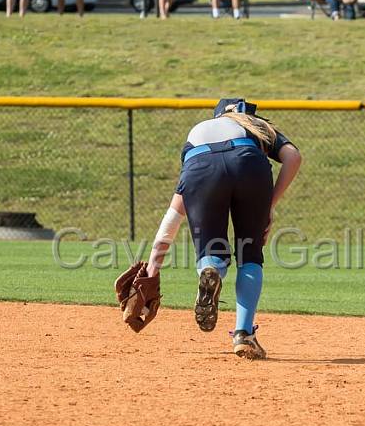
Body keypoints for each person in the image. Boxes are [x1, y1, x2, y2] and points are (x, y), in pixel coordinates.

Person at [122, 99, 302, 360]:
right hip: (248, 162)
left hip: (200, 165)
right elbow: (293, 157)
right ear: (245, 115)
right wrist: (269, 205)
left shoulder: (199, 131)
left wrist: (152, 269)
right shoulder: (255, 125)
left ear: (218, 116)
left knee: (210, 250)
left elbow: (172, 219)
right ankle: (243, 334)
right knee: (250, 255)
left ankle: (212, 269)